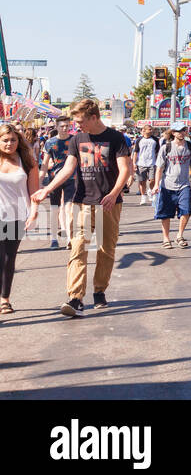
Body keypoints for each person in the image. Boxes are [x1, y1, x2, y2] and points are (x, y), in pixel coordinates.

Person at [31, 99, 133, 317]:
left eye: (80, 121)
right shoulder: (77, 139)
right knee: (78, 248)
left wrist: (114, 194)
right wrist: (47, 189)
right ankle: (75, 298)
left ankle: (99, 292)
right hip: (82, 201)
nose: (76, 126)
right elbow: (68, 169)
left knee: (106, 250)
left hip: (109, 204)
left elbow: (125, 169)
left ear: (94, 117)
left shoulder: (116, 138)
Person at [1, 122, 39, 317]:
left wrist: (34, 212)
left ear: (19, 141)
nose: (9, 144)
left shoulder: (26, 160)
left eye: (13, 140)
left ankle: (5, 298)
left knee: (9, 259)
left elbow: (34, 191)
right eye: (5, 140)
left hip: (17, 217)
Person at [153, 123, 191, 248]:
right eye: (178, 131)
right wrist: (156, 184)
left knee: (186, 211)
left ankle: (179, 235)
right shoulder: (166, 147)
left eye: (183, 130)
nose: (181, 133)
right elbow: (159, 168)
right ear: (173, 133)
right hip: (167, 185)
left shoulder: (190, 147)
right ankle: (166, 238)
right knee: (166, 214)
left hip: (184, 185)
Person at [41, 116, 74, 249]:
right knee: (55, 209)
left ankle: (69, 238)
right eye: (62, 126)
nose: (65, 128)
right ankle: (54, 238)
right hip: (54, 179)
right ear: (57, 127)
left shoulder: (74, 140)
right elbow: (44, 163)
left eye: (67, 125)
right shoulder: (50, 142)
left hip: (72, 178)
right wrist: (40, 180)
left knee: (69, 208)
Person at [133, 126, 159, 206]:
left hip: (152, 163)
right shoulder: (139, 140)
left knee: (152, 180)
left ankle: (151, 191)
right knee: (142, 181)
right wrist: (134, 163)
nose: (151, 131)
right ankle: (143, 196)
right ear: (144, 130)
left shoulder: (155, 139)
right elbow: (136, 152)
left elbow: (157, 152)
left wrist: (159, 163)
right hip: (141, 163)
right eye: (150, 129)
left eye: (152, 129)